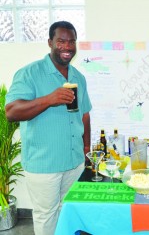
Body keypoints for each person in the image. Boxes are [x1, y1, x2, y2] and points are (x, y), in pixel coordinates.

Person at [5, 21, 92, 235]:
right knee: (46, 215)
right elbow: (11, 112)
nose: (67, 46)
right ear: (50, 42)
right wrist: (49, 100)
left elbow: (85, 115)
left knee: (69, 212)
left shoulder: (78, 77)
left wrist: (86, 148)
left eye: (71, 41)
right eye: (61, 41)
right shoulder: (29, 74)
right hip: (44, 164)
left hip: (74, 162)